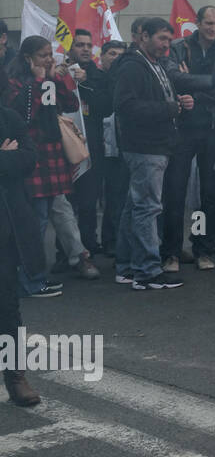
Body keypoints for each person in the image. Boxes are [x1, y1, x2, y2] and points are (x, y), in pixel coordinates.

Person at [2, 36, 91, 297]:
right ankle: (30, 278)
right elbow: (24, 113)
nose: (49, 59)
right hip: (33, 157)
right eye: (43, 55)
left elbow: (70, 104)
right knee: (36, 220)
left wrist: (56, 79)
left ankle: (34, 275)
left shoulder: (47, 79)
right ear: (28, 58)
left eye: (50, 54)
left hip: (52, 156)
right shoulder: (15, 82)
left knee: (47, 215)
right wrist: (41, 81)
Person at [160, 5, 215, 273]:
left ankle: (201, 247)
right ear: (197, 22)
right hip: (182, 129)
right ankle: (171, 250)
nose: (213, 29)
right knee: (175, 192)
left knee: (209, 195)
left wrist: (193, 89)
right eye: (209, 23)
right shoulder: (178, 47)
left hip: (213, 128)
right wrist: (211, 82)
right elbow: (172, 77)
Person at [112, 18, 191, 290]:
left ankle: (125, 267)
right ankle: (147, 270)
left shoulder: (153, 64)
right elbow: (126, 106)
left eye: (169, 39)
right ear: (142, 37)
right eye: (161, 38)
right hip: (145, 147)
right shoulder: (133, 66)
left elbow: (160, 99)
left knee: (135, 207)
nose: (166, 44)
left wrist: (180, 103)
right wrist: (169, 109)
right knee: (147, 208)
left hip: (154, 145)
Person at [0, 103, 42, 406]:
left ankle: (15, 375)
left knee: (7, 305)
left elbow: (29, 158)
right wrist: (4, 157)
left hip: (6, 227)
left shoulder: (8, 115)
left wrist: (9, 159)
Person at [66, 29, 108, 258]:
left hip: (91, 147)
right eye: (80, 44)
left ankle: (89, 244)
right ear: (70, 48)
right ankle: (66, 250)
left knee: (88, 202)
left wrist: (86, 82)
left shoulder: (97, 75)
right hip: (64, 148)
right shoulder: (60, 71)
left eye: (88, 45)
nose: (85, 49)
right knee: (66, 204)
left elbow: (105, 106)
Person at [97, 39, 129, 256]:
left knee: (117, 195)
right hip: (96, 146)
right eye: (112, 54)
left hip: (119, 148)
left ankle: (114, 240)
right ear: (102, 57)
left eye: (120, 55)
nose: (116, 58)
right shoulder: (95, 79)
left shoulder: (126, 80)